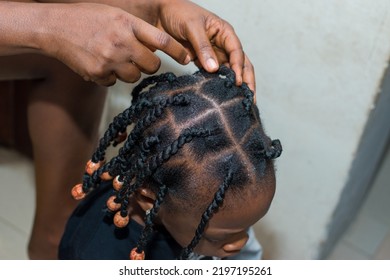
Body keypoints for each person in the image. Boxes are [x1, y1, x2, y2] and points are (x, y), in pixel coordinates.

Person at [0, 0, 255, 259]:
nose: (240, 243)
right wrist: (50, 26)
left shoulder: (226, 199)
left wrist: (153, 9)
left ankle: (52, 234)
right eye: (217, 236)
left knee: (74, 60)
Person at [59, 66, 282, 260]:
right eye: (218, 238)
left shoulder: (221, 211)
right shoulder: (95, 257)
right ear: (148, 198)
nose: (239, 243)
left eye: (248, 226)